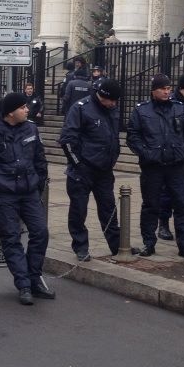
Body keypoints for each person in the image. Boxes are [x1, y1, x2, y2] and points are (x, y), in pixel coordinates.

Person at [0, 92, 52, 305]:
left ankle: (35, 279)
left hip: (28, 192)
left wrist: (39, 185)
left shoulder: (31, 128)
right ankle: (23, 284)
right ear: (10, 113)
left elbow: (40, 160)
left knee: (41, 233)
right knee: (11, 239)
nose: (27, 109)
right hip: (2, 194)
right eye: (22, 107)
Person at [126, 74, 184, 259]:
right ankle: (148, 243)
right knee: (151, 206)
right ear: (153, 91)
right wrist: (146, 153)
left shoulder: (179, 108)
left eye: (168, 88)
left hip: (176, 165)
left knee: (182, 205)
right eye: (162, 89)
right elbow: (133, 136)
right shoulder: (142, 111)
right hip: (153, 166)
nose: (166, 92)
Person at [58, 79, 123, 261]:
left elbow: (113, 137)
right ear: (102, 96)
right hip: (81, 171)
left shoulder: (112, 110)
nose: (114, 104)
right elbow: (67, 140)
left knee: (109, 209)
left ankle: (116, 245)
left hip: (104, 170)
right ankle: (80, 247)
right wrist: (79, 164)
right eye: (112, 100)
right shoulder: (81, 108)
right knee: (79, 211)